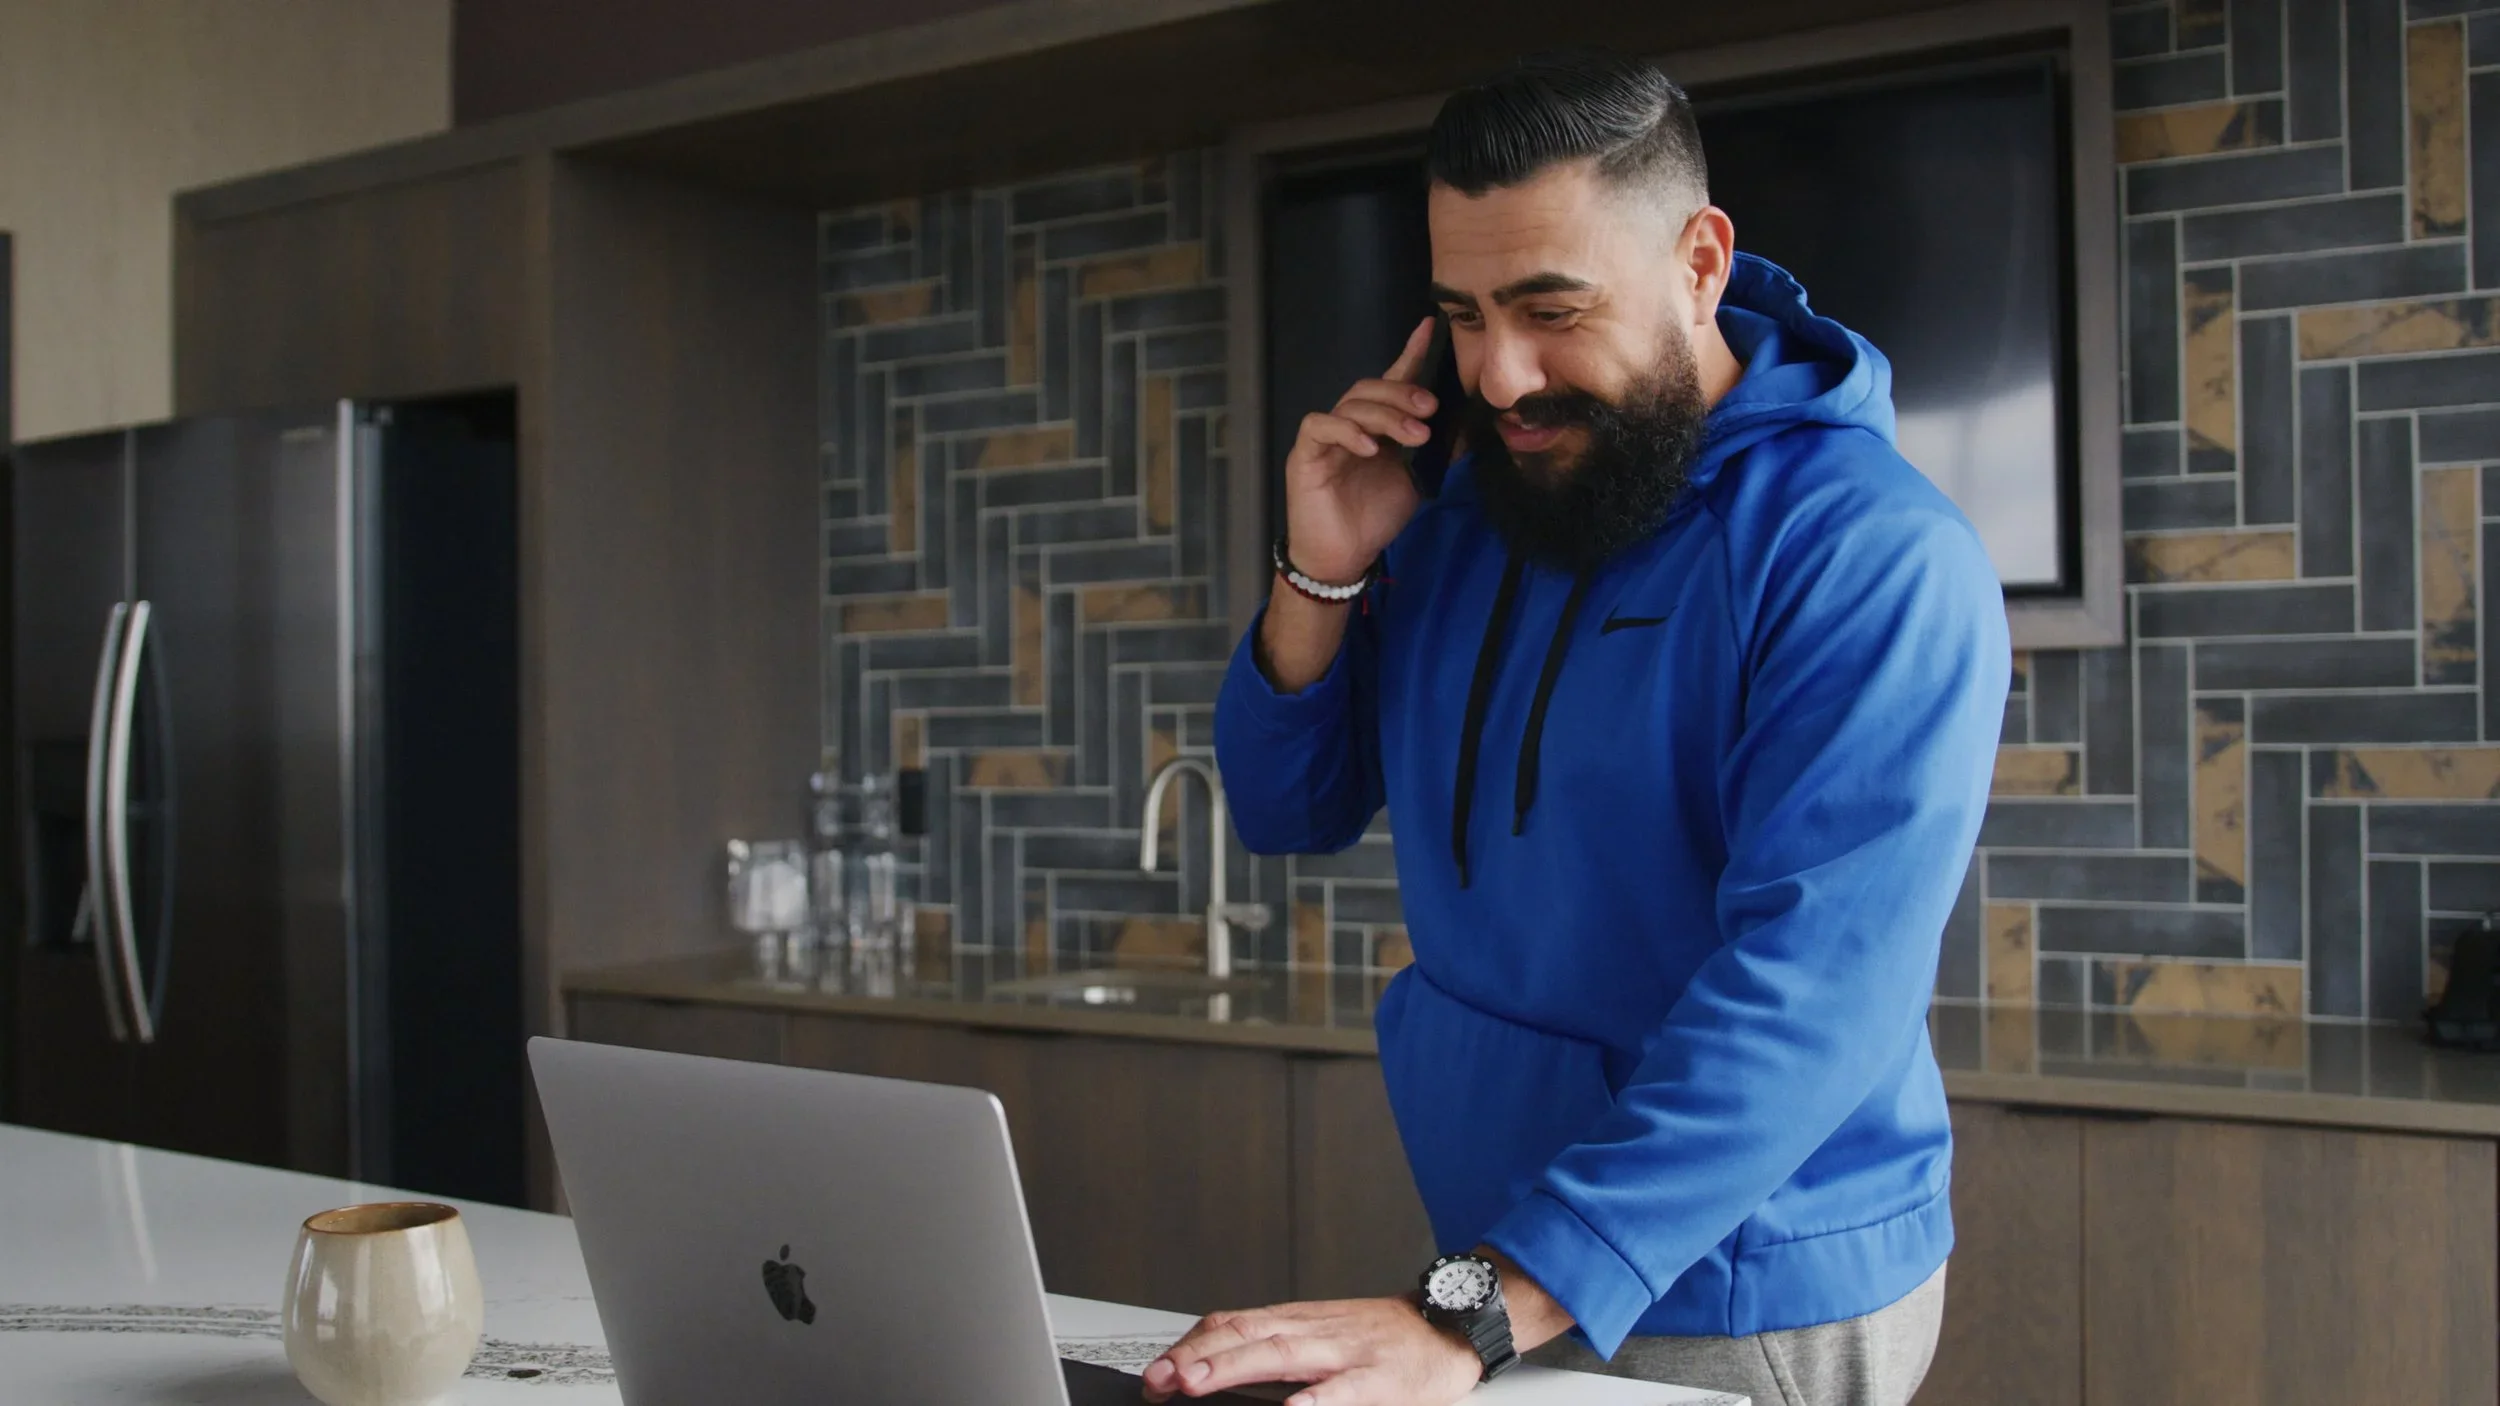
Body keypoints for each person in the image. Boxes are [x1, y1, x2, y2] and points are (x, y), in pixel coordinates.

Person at [1143, 48, 2009, 1406]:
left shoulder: (1873, 556)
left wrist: (1464, 1311)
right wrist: (1322, 570)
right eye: (1463, 313)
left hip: (1731, 1270)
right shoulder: (1472, 505)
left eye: (1551, 309)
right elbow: (1284, 811)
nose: (1500, 374)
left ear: (1702, 262)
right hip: (1508, 1252)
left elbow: (1803, 1005)